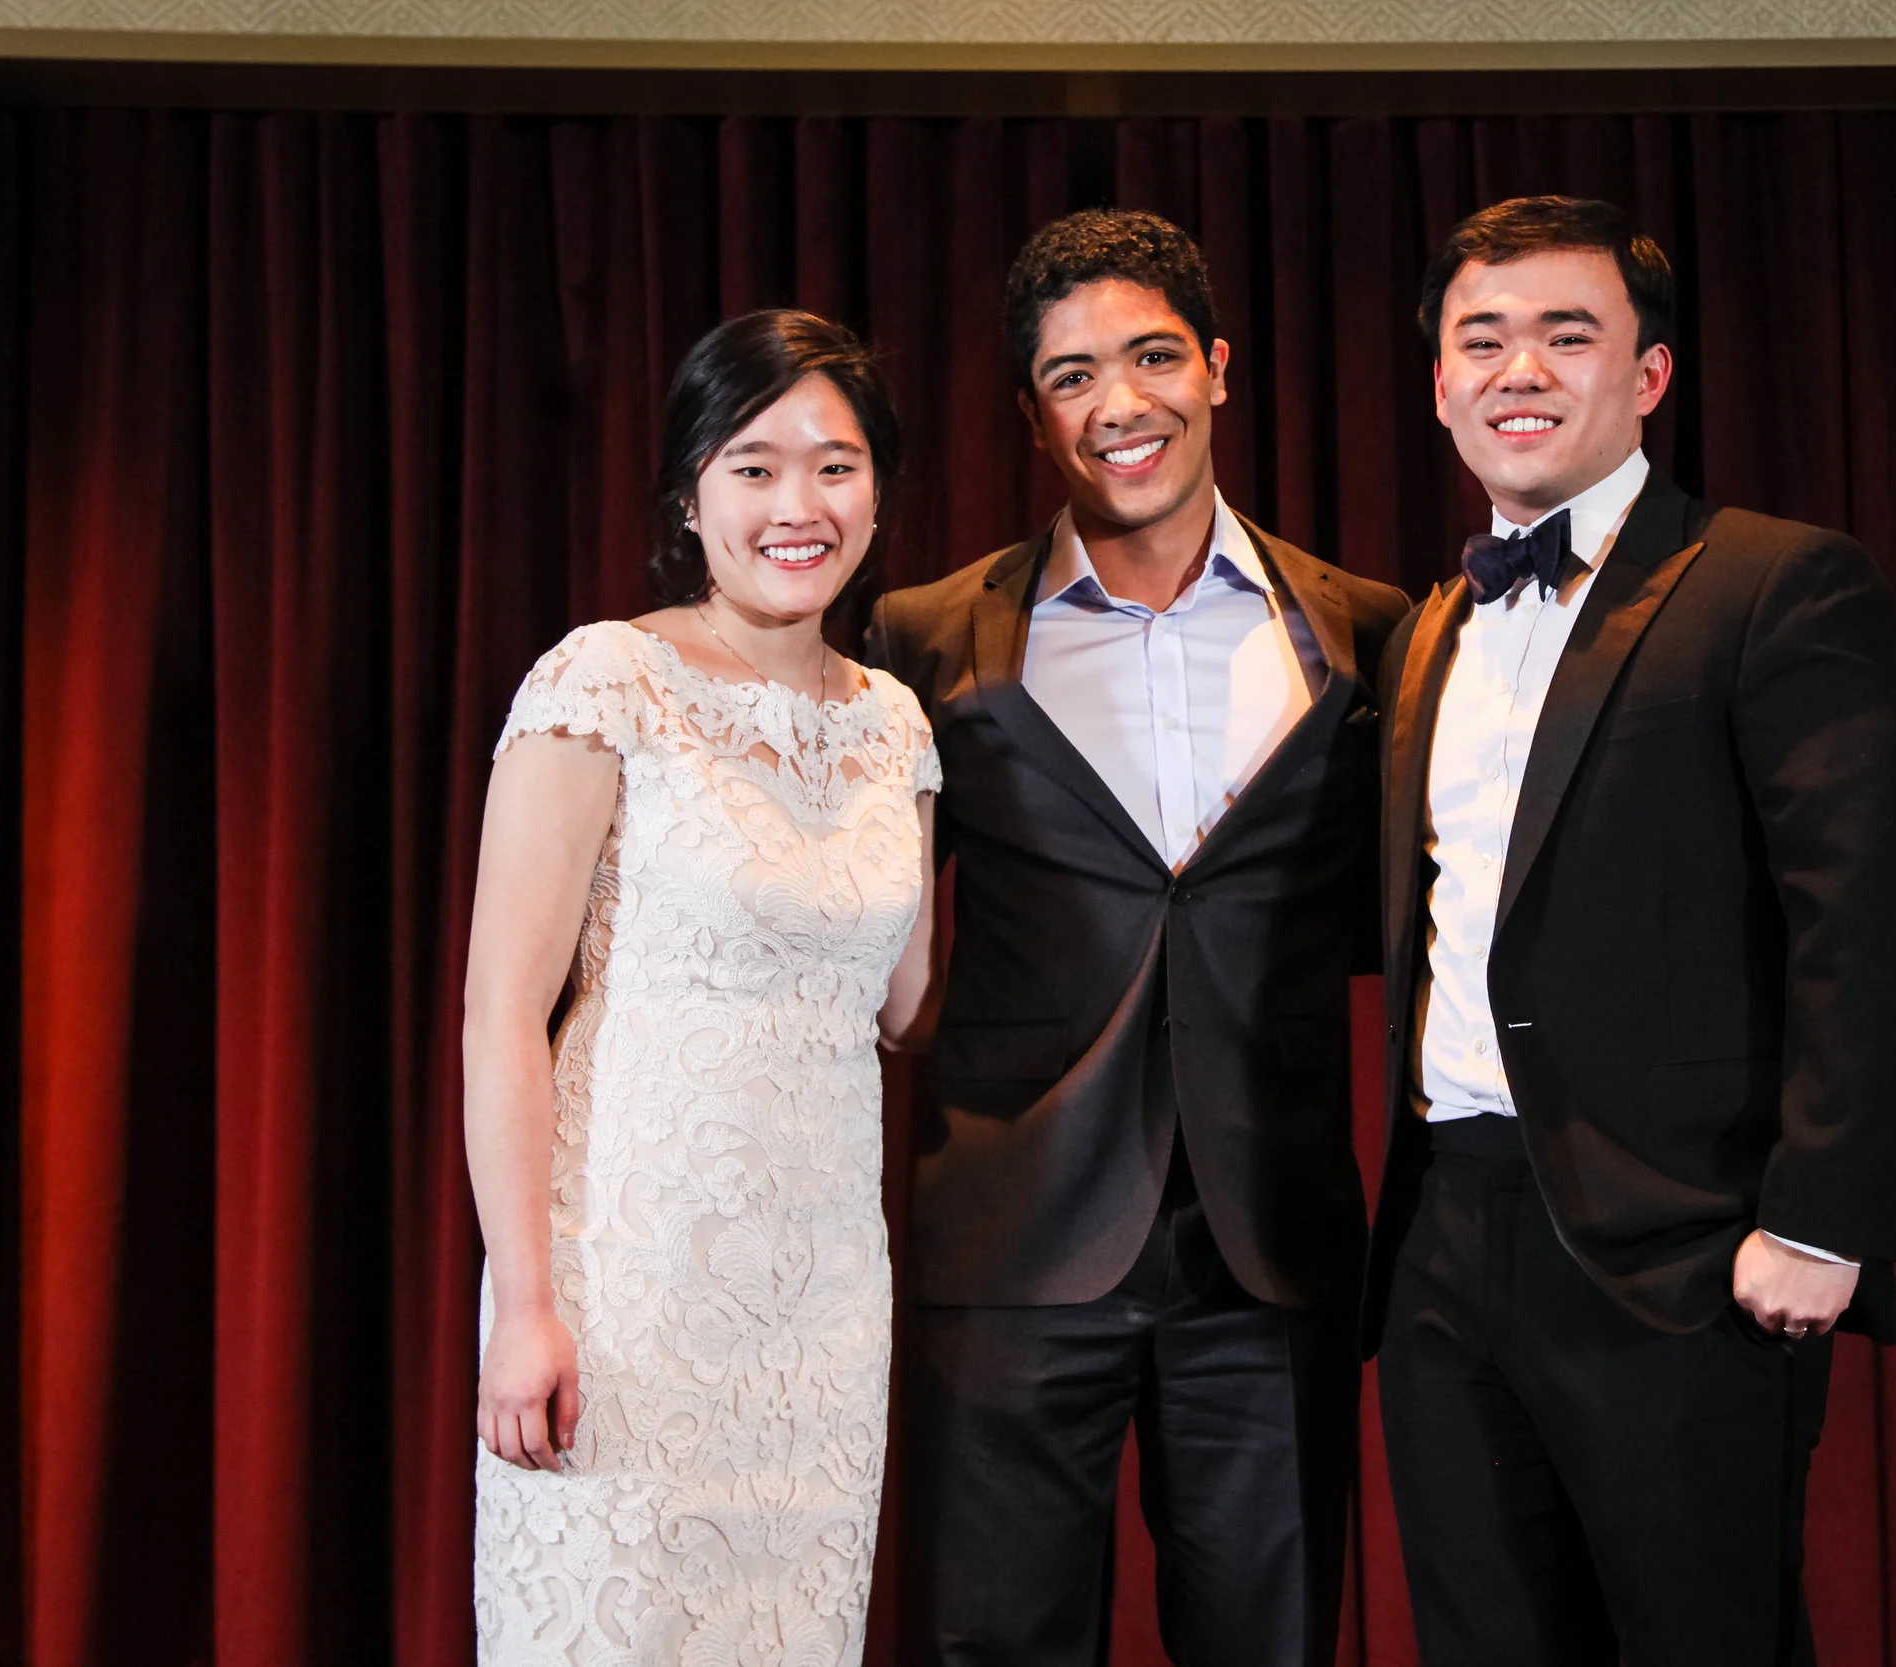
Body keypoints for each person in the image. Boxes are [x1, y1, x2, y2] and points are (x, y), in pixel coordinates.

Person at [1366, 195, 1896, 1666]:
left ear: (1649, 375)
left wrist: (1821, 1218)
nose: (1519, 370)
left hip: (1685, 1249)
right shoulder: (1427, 630)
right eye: (1481, 340)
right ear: (1438, 384)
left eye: (1567, 335)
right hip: (1445, 1235)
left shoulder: (1774, 581)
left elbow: (1872, 923)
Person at [863, 209, 1411, 1667]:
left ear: (1218, 367)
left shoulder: (1367, 631)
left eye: (1154, 357)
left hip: (1271, 1246)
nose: (1120, 402)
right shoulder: (926, 636)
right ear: (1032, 412)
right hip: (1013, 1237)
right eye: (1072, 375)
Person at [463, 310, 940, 1667]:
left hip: (822, 1307)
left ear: (877, 491)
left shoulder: (895, 722)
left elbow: (903, 1005)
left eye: (836, 465)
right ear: (690, 492)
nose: (799, 504)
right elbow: (502, 1011)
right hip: (627, 1289)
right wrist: (526, 1301)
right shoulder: (607, 678)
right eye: (754, 466)